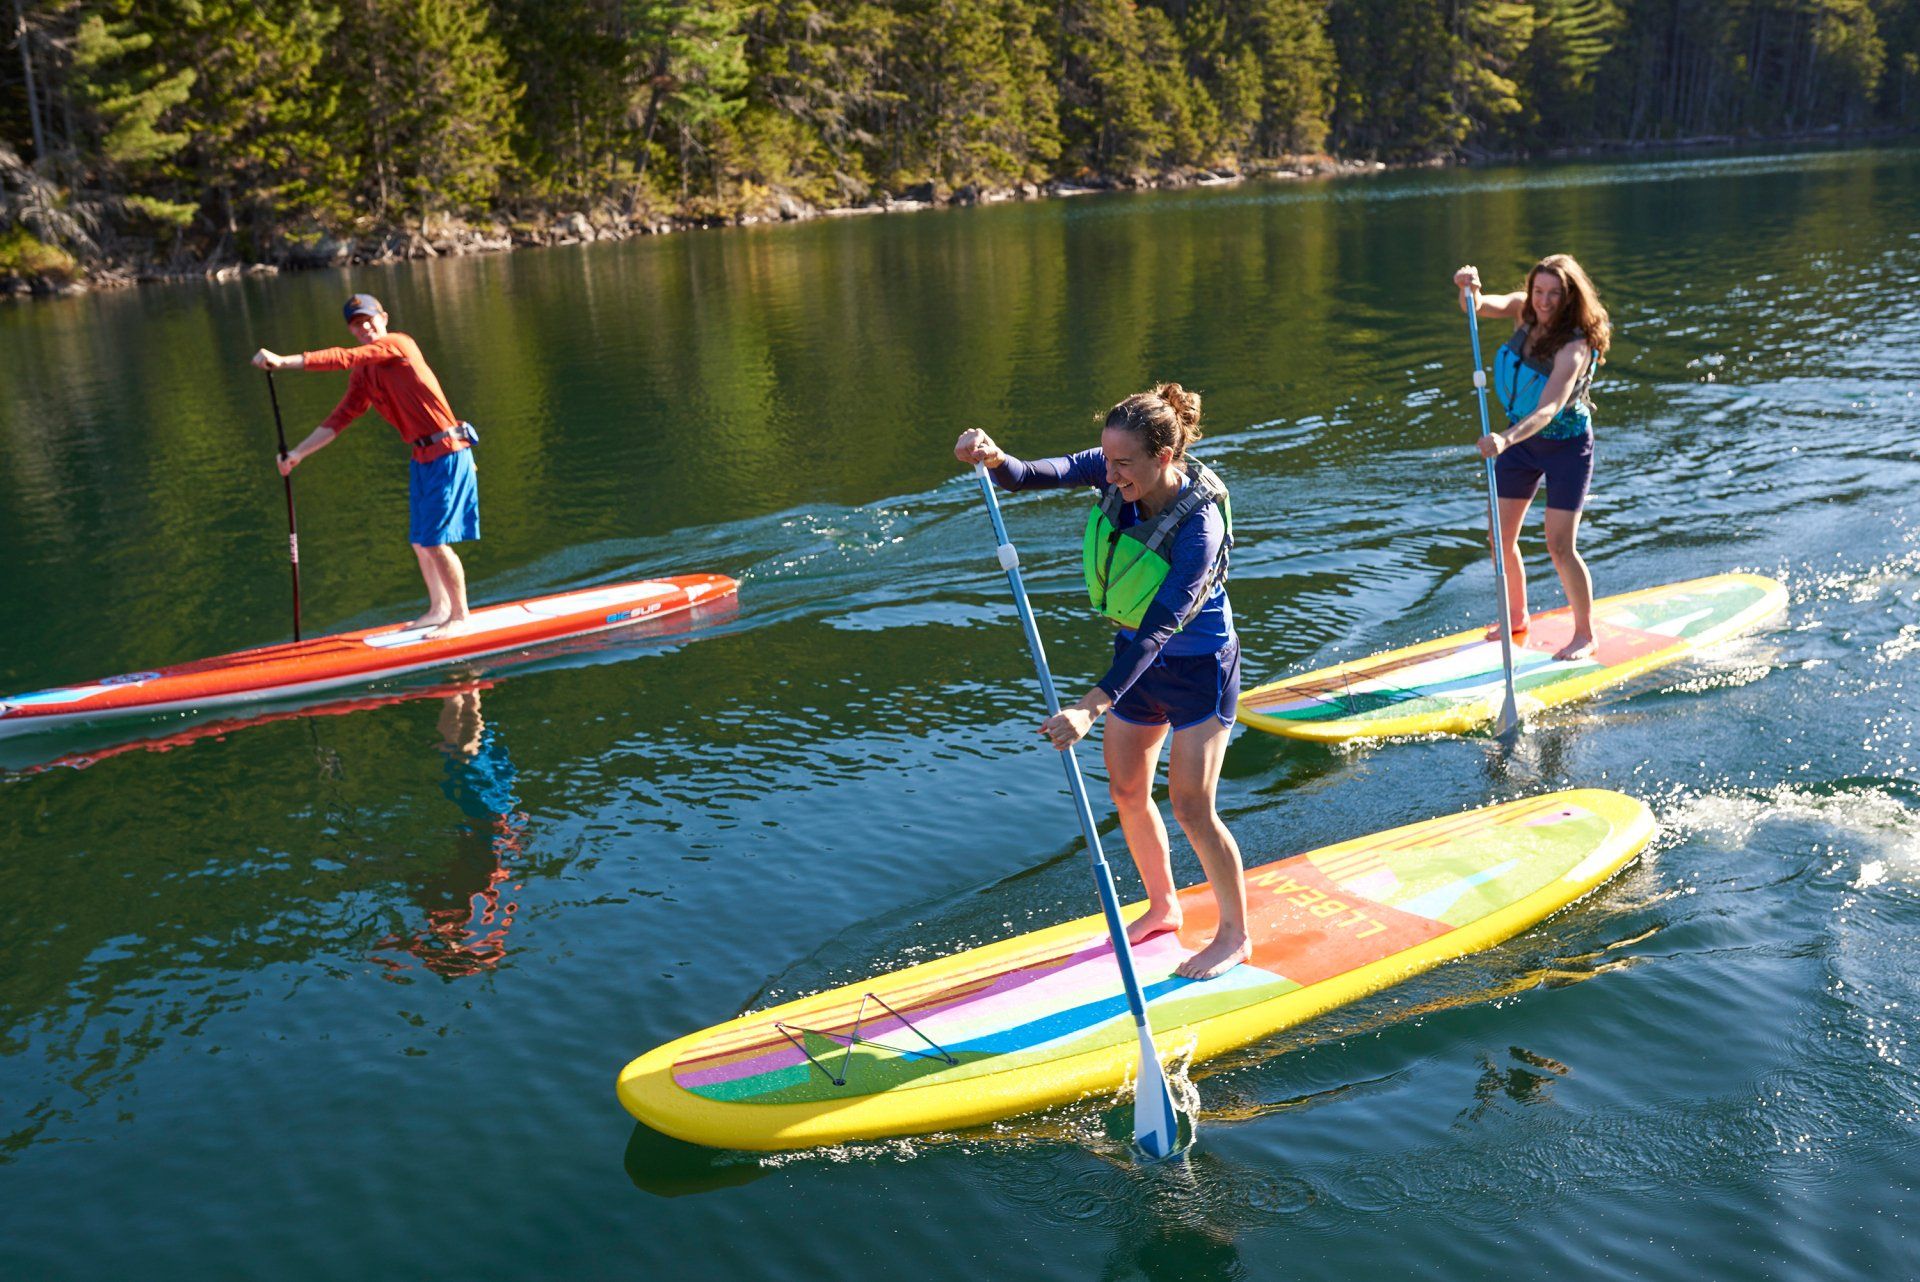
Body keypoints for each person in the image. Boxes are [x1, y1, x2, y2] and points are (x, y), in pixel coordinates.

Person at [954, 383, 1250, 980]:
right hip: (1136, 666)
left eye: (1123, 464)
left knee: (1191, 806)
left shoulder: (1200, 529)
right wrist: (991, 456)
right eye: (1105, 460)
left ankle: (1234, 935)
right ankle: (1163, 906)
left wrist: (1090, 706)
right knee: (1126, 792)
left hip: (1197, 668)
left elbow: (1161, 627)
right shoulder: (1114, 468)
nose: (1109, 474)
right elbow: (1027, 474)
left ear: (1163, 457)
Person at [251, 294, 480, 637]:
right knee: (420, 541)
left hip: (448, 451)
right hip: (421, 458)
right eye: (357, 325)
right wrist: (297, 454)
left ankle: (460, 616)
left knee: (434, 541)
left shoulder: (398, 344)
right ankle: (439, 609)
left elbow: (344, 357)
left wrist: (284, 363)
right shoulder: (364, 375)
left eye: (369, 320)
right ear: (352, 330)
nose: (366, 328)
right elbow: (340, 418)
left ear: (384, 317)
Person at [1454, 255, 1612, 662]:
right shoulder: (1524, 312)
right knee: (1499, 539)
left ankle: (1584, 634)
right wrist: (1467, 288)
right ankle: (1517, 615)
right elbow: (1478, 306)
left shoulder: (1575, 347)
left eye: (1553, 295)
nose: (1543, 301)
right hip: (1520, 444)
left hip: (1565, 447)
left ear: (1568, 298)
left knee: (1559, 546)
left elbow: (1548, 409)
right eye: (1538, 291)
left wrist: (1504, 440)